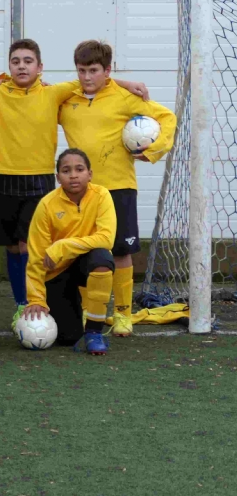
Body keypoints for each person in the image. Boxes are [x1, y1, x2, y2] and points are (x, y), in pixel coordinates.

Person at [0, 39, 147, 326]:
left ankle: (83, 305)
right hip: (4, 177)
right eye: (16, 61)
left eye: (28, 61)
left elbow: (91, 78)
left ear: (40, 67)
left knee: (36, 244)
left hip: (40, 176)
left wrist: (124, 82)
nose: (22, 66)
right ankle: (23, 304)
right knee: (11, 247)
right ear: (8, 67)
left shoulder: (55, 92)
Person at [58, 39, 176, 337]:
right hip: (80, 191)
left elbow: (166, 117)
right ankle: (90, 311)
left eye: (94, 70)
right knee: (85, 250)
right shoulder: (66, 98)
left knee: (121, 251)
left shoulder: (123, 98)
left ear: (107, 70)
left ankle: (123, 315)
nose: (87, 77)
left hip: (119, 186)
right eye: (82, 70)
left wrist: (153, 149)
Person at [23, 149, 116, 354]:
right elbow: (37, 255)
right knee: (68, 337)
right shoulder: (47, 205)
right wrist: (36, 298)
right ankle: (75, 312)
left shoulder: (101, 196)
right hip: (57, 271)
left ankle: (94, 331)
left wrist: (62, 246)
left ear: (90, 174)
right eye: (66, 170)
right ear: (58, 177)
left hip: (86, 262)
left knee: (102, 259)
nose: (73, 175)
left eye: (79, 169)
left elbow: (106, 238)